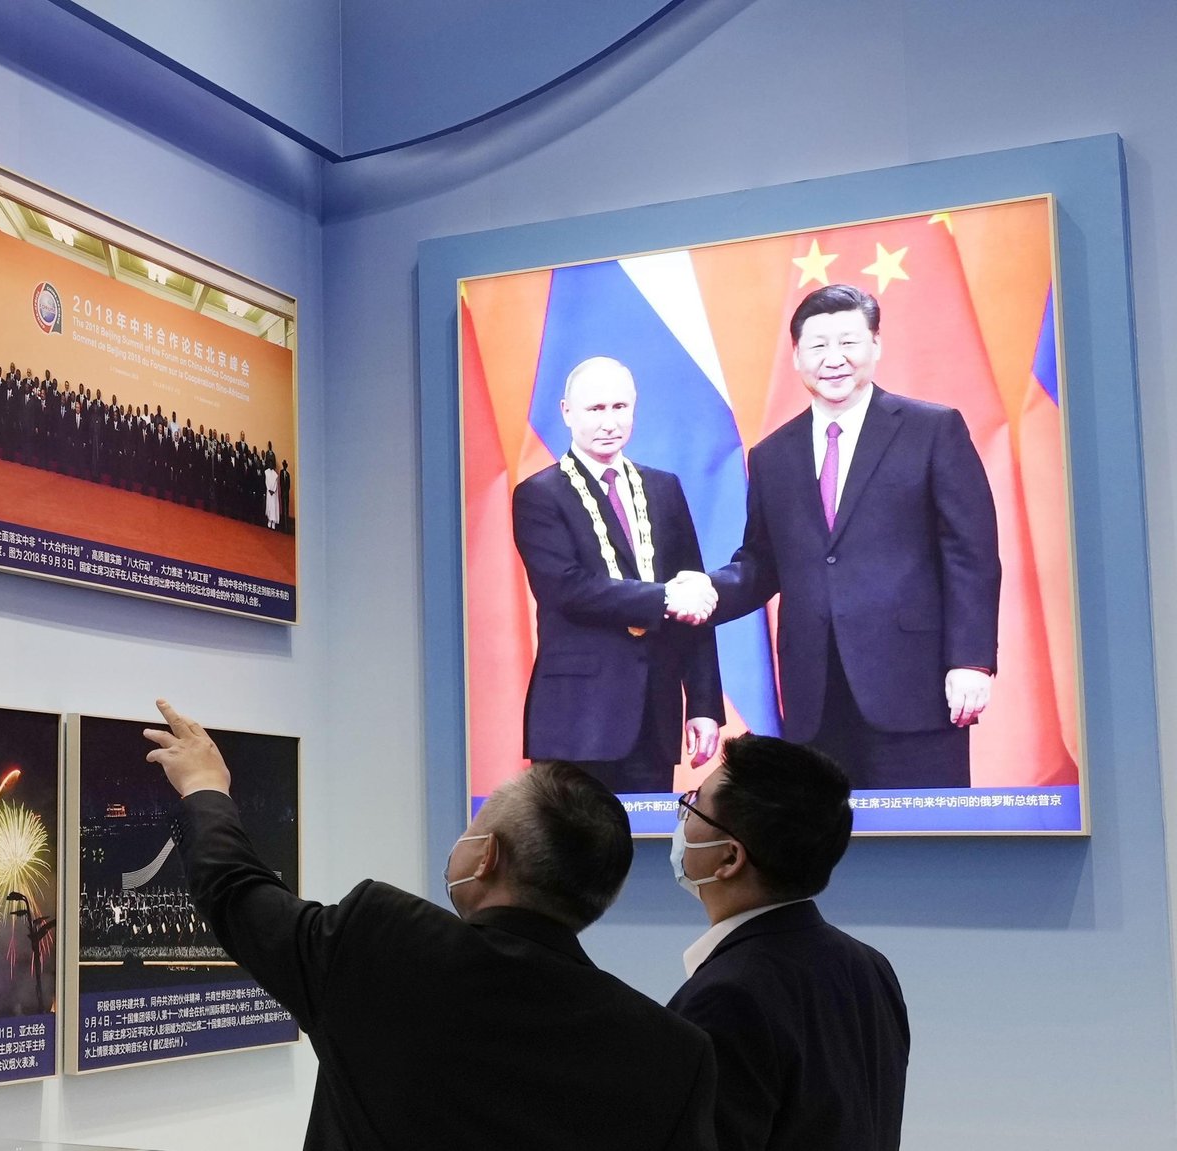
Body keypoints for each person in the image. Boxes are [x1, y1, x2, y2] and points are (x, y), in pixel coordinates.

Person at [143, 699, 717, 1150]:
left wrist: (205, 790)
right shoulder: (672, 1053)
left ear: (486, 855)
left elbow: (238, 893)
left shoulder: (387, 944)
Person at [680, 285, 1001, 788]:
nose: (834, 359)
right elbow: (762, 562)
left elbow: (972, 556)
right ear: (796, 356)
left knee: (925, 843)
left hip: (914, 687)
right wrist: (705, 592)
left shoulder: (932, 429)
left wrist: (971, 661)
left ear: (876, 345)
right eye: (818, 345)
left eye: (849, 342)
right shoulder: (771, 455)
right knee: (824, 849)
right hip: (815, 696)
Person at [668, 734, 909, 1149]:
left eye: (691, 806)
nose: (681, 822)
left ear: (729, 857)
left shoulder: (726, 996)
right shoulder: (870, 965)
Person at [511, 357, 724, 794]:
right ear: (567, 412)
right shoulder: (538, 494)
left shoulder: (664, 489)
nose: (610, 421)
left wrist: (703, 704)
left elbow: (694, 599)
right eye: (596, 409)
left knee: (648, 854)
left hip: (654, 716)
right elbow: (567, 589)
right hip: (576, 721)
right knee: (574, 856)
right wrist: (665, 598)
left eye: (620, 407)